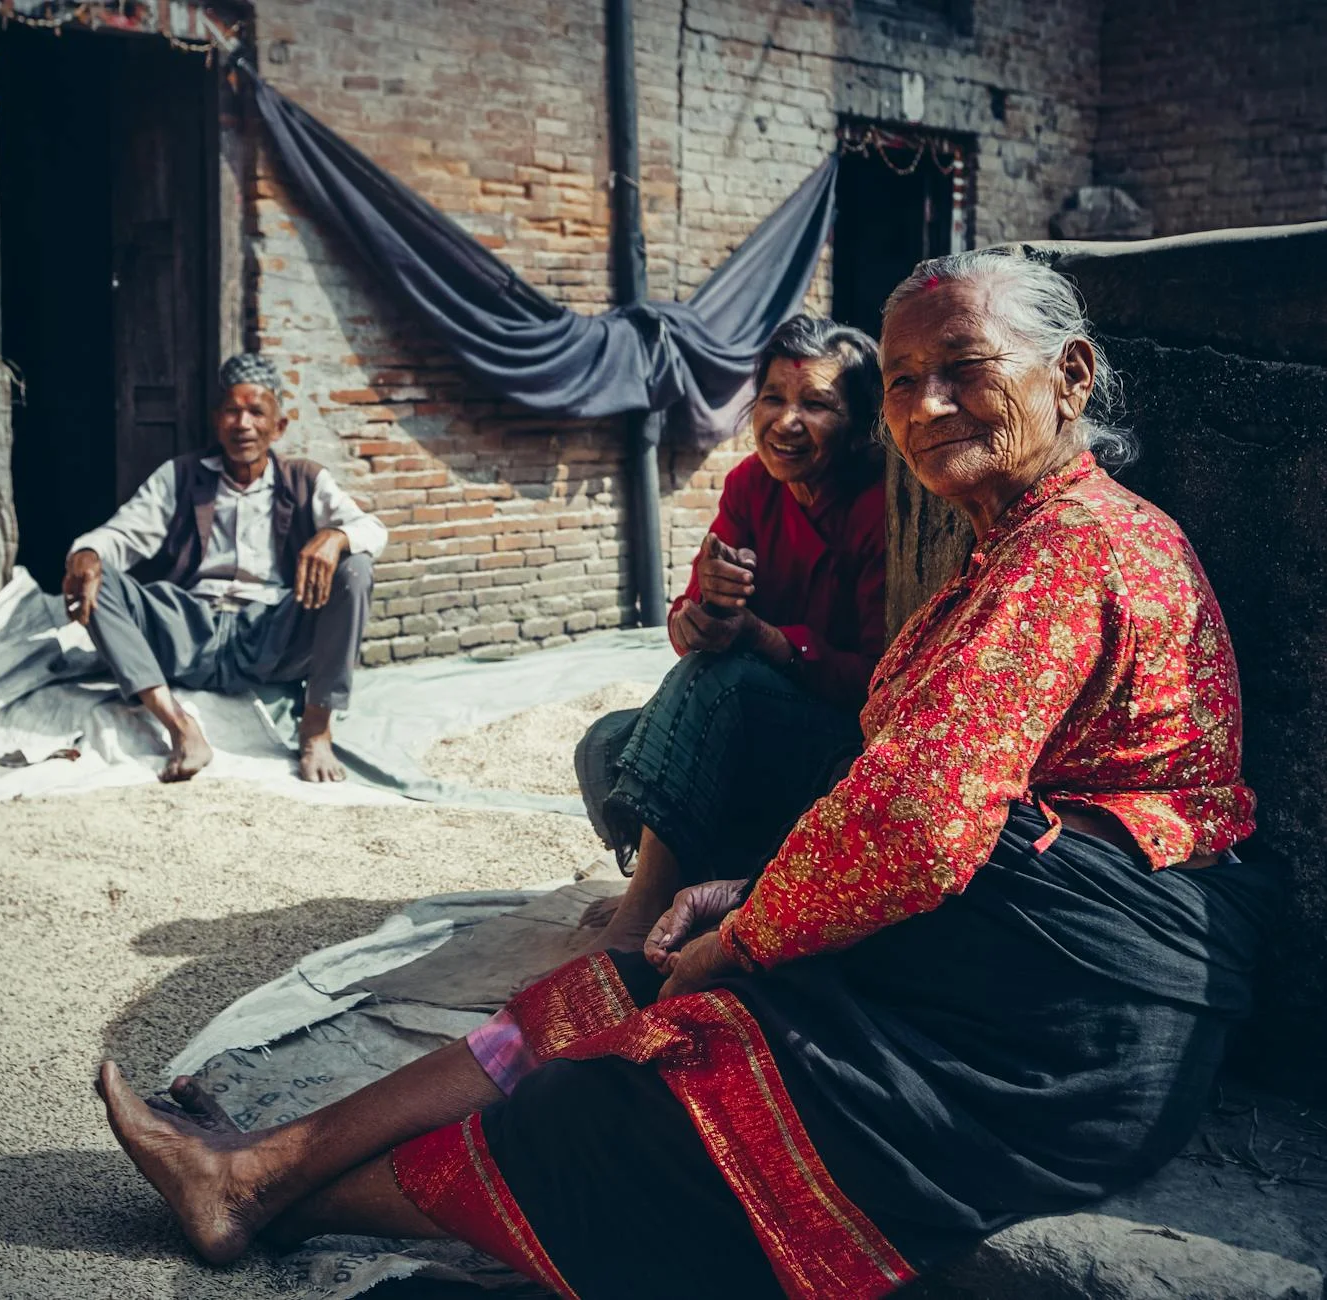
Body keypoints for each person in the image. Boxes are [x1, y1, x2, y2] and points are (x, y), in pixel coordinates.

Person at [94, 251, 1275, 1298]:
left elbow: (917, 822)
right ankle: (260, 1166)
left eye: (962, 368)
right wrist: (752, 889)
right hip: (1000, 969)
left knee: (630, 1086)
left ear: (1068, 375)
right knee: (618, 973)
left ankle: (273, 1193)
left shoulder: (1064, 554)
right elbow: (903, 788)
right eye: (904, 379)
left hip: (1056, 1039)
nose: (924, 405)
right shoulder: (1005, 542)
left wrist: (746, 935)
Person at [576, 315, 885, 951]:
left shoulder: (877, 508)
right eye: (773, 398)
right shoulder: (750, 484)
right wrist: (699, 617)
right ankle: (682, 884)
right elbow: (691, 621)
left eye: (816, 404)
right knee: (604, 745)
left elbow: (875, 679)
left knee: (723, 679)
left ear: (859, 425)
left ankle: (643, 913)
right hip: (745, 726)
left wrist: (767, 639)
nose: (786, 422)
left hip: (831, 743)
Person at [62, 354, 387, 783]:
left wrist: (336, 537)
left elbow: (373, 530)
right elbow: (124, 533)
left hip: (270, 633)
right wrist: (87, 552)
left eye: (256, 412)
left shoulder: (305, 479)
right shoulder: (180, 475)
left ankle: (315, 729)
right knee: (96, 577)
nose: (243, 424)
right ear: (217, 421)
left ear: (278, 427)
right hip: (190, 629)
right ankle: (180, 727)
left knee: (356, 569)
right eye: (232, 411)